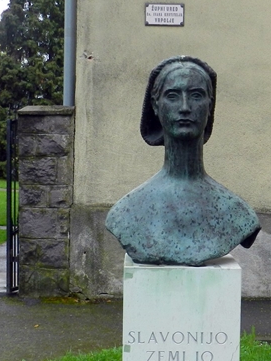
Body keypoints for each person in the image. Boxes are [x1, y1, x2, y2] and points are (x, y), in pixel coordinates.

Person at [105, 56, 260, 266]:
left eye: (196, 95)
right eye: (172, 96)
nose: (185, 107)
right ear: (156, 106)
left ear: (209, 106)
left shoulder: (237, 213)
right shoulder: (126, 213)